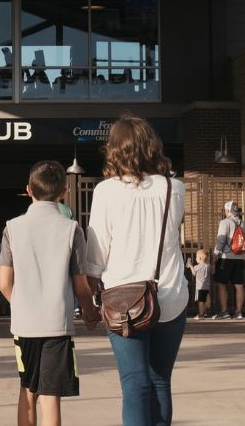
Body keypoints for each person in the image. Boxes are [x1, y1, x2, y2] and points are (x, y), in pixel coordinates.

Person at [84, 116, 188, 426]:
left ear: (114, 150)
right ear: (152, 147)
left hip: (123, 301)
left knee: (134, 384)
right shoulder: (174, 187)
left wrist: (89, 300)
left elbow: (96, 252)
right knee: (159, 381)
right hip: (169, 295)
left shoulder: (106, 191)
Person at [0, 161, 100, 426]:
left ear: (28, 189)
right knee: (51, 395)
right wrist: (90, 313)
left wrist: (21, 303)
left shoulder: (12, 227)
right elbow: (81, 285)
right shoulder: (72, 229)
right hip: (57, 324)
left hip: (24, 324)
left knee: (27, 389)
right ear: (64, 192)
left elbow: (4, 282)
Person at [212, 201, 245, 319]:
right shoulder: (244, 224)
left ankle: (224, 311)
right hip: (240, 258)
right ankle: (239, 312)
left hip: (226, 258)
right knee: (239, 285)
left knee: (222, 284)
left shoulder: (225, 222)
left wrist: (215, 254)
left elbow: (221, 239)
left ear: (227, 211)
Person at [189, 249, 212, 319]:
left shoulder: (197, 267)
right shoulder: (208, 266)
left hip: (200, 287)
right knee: (204, 300)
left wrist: (190, 266)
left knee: (200, 301)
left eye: (196, 257)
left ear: (200, 258)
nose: (196, 258)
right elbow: (212, 272)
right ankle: (204, 313)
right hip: (207, 287)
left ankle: (201, 315)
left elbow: (194, 273)